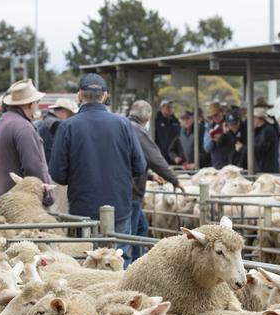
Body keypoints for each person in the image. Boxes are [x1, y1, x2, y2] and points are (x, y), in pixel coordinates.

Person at [49, 73, 146, 238]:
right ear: (105, 95)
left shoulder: (67, 127)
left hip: (83, 209)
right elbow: (140, 166)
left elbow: (57, 174)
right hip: (119, 207)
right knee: (118, 258)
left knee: (85, 258)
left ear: (79, 95)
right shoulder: (124, 124)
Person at [128, 100, 182, 263]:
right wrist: (174, 179)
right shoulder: (137, 130)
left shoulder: (126, 126)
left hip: (129, 188)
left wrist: (150, 176)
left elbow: (133, 160)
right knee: (129, 232)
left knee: (141, 227)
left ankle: (137, 261)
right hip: (131, 192)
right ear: (148, 116)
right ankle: (130, 265)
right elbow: (155, 158)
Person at [0, 80, 54, 204]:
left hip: (6, 199)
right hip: (24, 203)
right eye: (36, 102)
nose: (37, 106)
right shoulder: (23, 127)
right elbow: (33, 167)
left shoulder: (0, 124)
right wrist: (48, 197)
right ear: (30, 104)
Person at [38, 98, 78, 163]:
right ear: (63, 111)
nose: (72, 117)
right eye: (71, 114)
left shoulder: (46, 121)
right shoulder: (58, 125)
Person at [251, 108, 279, 173]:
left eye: (254, 118)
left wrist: (244, 148)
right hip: (262, 167)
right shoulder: (260, 130)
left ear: (260, 119)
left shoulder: (267, 130)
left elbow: (261, 148)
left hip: (267, 169)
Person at [154, 99, 180, 164]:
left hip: (174, 158)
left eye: (171, 107)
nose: (169, 109)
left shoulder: (176, 122)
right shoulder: (155, 122)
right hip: (160, 157)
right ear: (161, 108)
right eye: (167, 107)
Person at [203, 102, 228, 169]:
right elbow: (207, 148)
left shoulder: (230, 124)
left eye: (216, 115)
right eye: (212, 116)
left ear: (222, 112)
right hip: (217, 164)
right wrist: (213, 140)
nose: (214, 118)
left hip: (230, 164)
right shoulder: (209, 128)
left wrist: (226, 135)